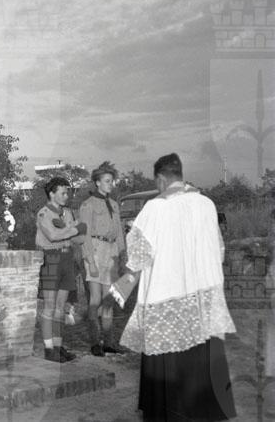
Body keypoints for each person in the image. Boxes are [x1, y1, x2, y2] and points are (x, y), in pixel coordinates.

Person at [107, 153, 237, 421]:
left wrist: (119, 290)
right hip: (202, 301)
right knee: (202, 367)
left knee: (168, 382)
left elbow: (138, 258)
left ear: (160, 179)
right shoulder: (207, 205)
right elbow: (219, 251)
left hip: (166, 301)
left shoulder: (155, 209)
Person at [36, 177, 86, 362]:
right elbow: (52, 235)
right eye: (63, 193)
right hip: (51, 258)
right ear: (52, 193)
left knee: (60, 307)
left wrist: (74, 230)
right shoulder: (44, 214)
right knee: (49, 306)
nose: (66, 196)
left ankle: (58, 347)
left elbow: (80, 239)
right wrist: (74, 229)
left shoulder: (68, 213)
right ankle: (48, 349)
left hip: (67, 258)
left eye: (67, 192)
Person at [79, 162, 126, 356]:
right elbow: (84, 235)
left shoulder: (114, 204)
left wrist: (122, 255)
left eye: (112, 181)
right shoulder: (88, 205)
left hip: (111, 252)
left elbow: (119, 232)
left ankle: (109, 342)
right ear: (97, 183)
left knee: (109, 301)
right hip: (96, 251)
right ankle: (94, 342)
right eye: (107, 181)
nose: (110, 184)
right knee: (95, 300)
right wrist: (90, 261)